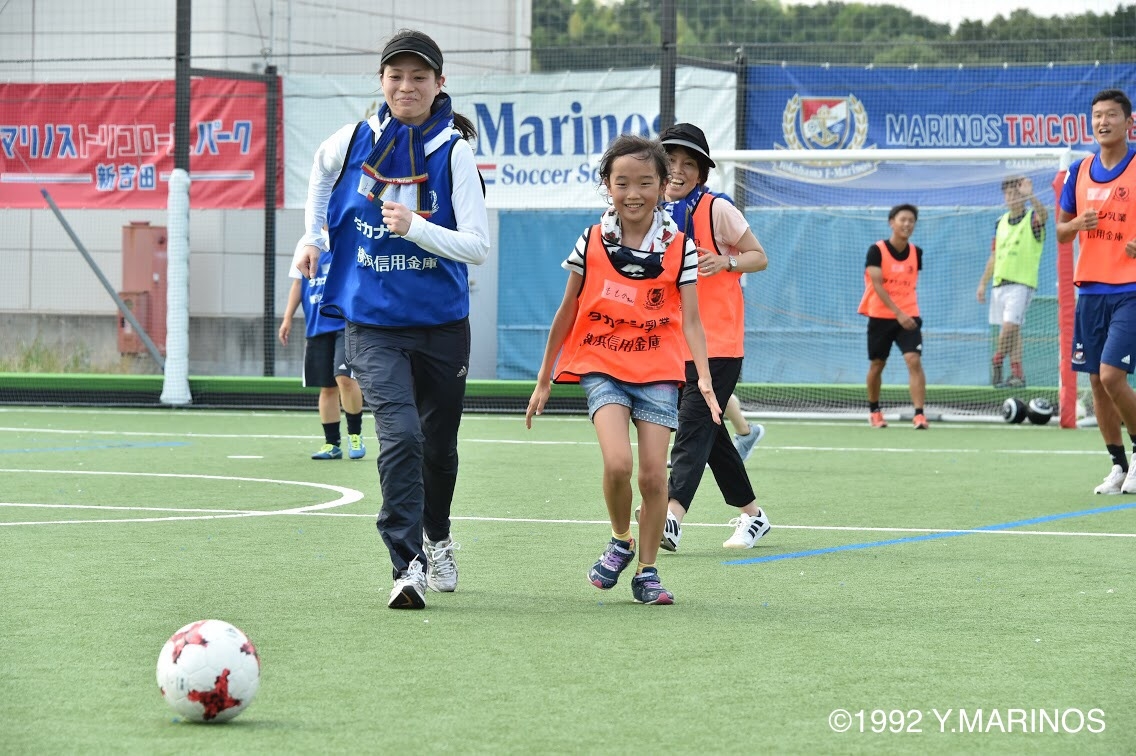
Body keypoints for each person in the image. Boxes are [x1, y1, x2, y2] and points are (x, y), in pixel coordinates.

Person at [295, 29, 490, 609]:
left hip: (441, 324)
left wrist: (417, 228)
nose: (407, 86)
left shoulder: (453, 152)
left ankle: (438, 536)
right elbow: (320, 172)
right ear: (381, 81)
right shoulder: (354, 138)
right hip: (373, 323)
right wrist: (312, 237)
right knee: (401, 435)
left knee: (439, 447)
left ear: (439, 83)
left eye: (419, 77)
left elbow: (477, 246)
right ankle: (407, 566)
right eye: (396, 76)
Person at [526, 134, 721, 605]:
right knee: (618, 464)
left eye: (645, 182)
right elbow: (567, 310)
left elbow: (692, 321)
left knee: (654, 479)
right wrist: (544, 377)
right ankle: (620, 539)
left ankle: (647, 572)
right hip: (603, 363)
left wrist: (705, 380)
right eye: (622, 183)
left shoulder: (680, 248)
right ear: (607, 186)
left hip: (658, 369)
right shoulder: (591, 240)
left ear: (663, 185)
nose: (634, 193)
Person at [647, 123, 771, 553]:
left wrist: (726, 262)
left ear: (701, 173)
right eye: (671, 162)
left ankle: (670, 516)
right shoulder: (655, 216)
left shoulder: (717, 210)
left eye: (689, 164)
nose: (678, 170)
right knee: (711, 436)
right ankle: (754, 516)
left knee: (693, 426)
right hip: (674, 344)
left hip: (718, 345)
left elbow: (759, 256)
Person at [1056, 88, 1136, 495]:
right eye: (1097, 116)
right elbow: (1061, 231)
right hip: (1089, 291)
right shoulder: (1079, 170)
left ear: (1129, 122)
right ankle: (1118, 465)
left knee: (1111, 375)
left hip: (1130, 289)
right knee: (1096, 383)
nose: (1103, 122)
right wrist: (1076, 225)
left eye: (1111, 115)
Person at [279, 234, 367, 461]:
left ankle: (355, 435)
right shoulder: (305, 242)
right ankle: (332, 444)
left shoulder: (347, 234)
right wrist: (287, 318)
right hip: (317, 326)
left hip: (344, 324)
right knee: (327, 387)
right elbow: (298, 282)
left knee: (345, 379)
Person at [859, 204, 929, 429]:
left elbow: (908, 285)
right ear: (892, 222)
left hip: (909, 316)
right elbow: (877, 285)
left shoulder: (917, 253)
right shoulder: (876, 251)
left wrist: (905, 313)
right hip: (881, 316)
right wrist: (897, 313)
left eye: (911, 220)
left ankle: (919, 414)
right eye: (902, 220)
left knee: (914, 360)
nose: (907, 224)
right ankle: (874, 411)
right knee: (877, 364)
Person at [976, 175, 1048, 388]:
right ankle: (1017, 374)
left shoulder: (1032, 218)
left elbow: (1044, 216)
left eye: (1016, 193)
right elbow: (993, 255)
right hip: (999, 283)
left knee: (1009, 327)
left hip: (1021, 283)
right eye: (1007, 193)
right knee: (1013, 332)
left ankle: (997, 359)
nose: (1011, 197)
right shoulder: (1000, 222)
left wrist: (1031, 195)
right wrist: (983, 283)